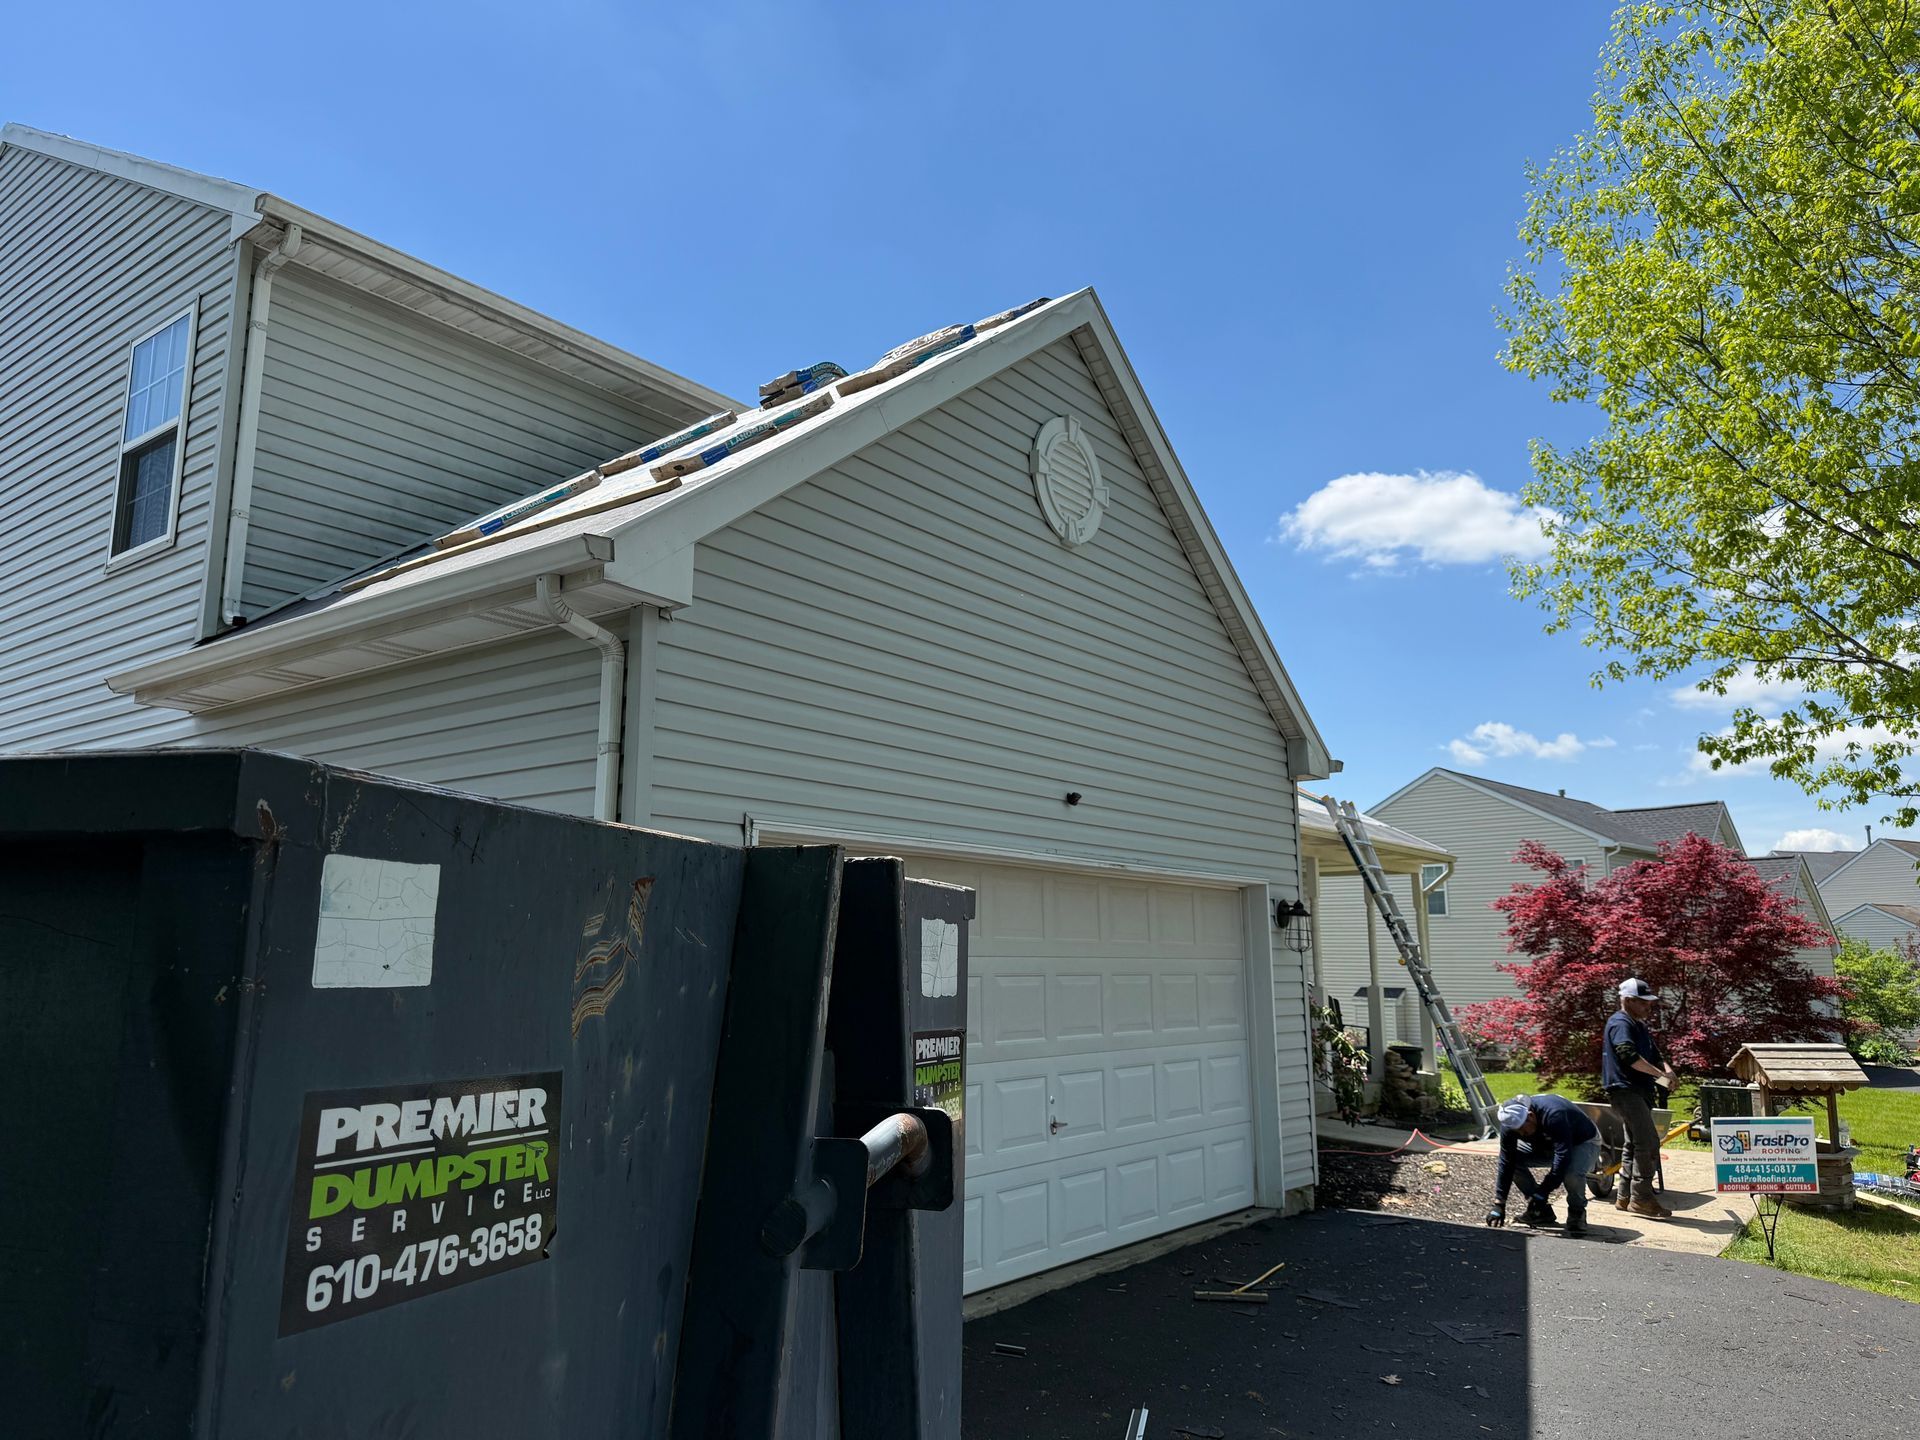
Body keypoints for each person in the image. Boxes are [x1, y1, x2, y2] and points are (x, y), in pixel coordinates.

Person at [1603, 977, 1678, 1218]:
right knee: (1648, 1143)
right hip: (1626, 1091)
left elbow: (1655, 1055)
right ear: (1628, 1000)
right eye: (1643, 1002)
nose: (1649, 1006)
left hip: (1639, 1091)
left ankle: (1624, 1196)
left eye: (1649, 1002)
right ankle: (1642, 1198)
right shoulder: (1620, 1023)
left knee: (1633, 1144)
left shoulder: (1639, 1025)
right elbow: (1628, 1056)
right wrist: (1660, 1076)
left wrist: (1668, 1072)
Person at [1483, 1094, 1601, 1236]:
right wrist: (1499, 1203)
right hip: (1546, 1144)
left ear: (1531, 1116)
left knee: (1571, 1173)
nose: (1522, 1134)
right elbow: (1506, 1161)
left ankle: (1577, 1213)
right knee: (1514, 1162)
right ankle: (1541, 1212)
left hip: (1582, 1141)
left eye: (1523, 1129)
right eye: (1518, 1132)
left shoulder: (1554, 1115)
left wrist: (1543, 1192)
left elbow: (1562, 1158)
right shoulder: (1510, 1124)